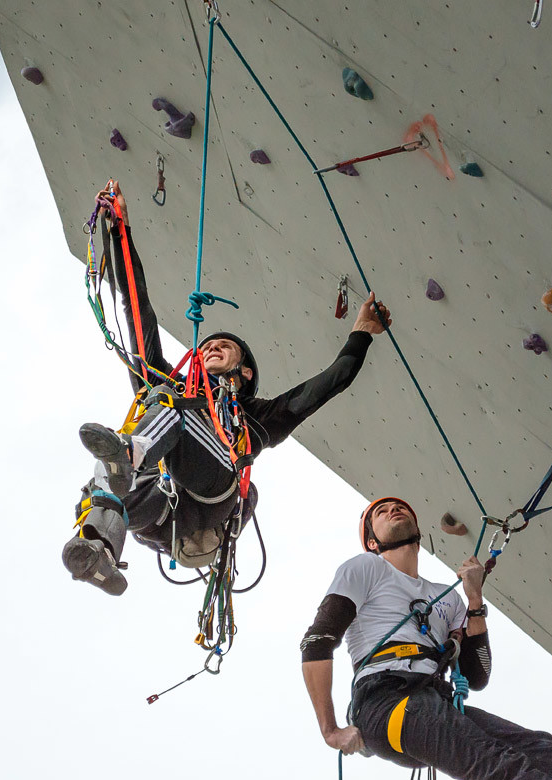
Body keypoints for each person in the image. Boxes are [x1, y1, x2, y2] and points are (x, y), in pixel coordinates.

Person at [63, 180, 391, 595]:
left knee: (170, 405)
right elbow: (138, 316)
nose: (211, 346)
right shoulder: (171, 384)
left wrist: (362, 331)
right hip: (161, 505)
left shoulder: (262, 417)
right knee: (103, 479)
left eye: (224, 346)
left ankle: (130, 453)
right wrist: (119, 231)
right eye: (206, 346)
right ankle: (99, 554)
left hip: (212, 497)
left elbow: (328, 384)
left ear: (246, 373)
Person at [300, 497, 552, 780]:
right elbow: (317, 643)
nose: (393, 509)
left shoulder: (447, 597)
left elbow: (476, 676)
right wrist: (330, 730)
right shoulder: (365, 568)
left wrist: (475, 600)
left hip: (433, 701)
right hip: (385, 701)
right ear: (373, 542)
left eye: (400, 507)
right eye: (381, 512)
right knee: (502, 767)